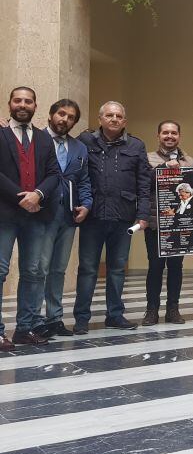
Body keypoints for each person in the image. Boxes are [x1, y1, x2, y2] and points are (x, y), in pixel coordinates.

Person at [73, 101, 151, 334]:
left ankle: (115, 315)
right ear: (100, 119)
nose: (114, 119)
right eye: (109, 115)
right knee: (87, 268)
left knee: (117, 269)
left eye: (118, 116)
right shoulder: (85, 141)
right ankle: (81, 318)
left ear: (124, 121)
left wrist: (143, 215)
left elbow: (144, 184)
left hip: (123, 219)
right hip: (93, 216)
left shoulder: (136, 145)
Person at [0, 87, 60, 349]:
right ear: (10, 104)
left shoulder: (45, 139)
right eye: (18, 100)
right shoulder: (0, 133)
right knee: (0, 271)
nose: (23, 105)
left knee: (33, 272)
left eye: (28, 101)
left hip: (37, 215)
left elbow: (54, 173)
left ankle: (24, 329)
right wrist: (20, 197)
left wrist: (37, 194)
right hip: (4, 214)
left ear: (36, 106)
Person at [35, 99, 93, 337]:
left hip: (68, 216)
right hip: (41, 215)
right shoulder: (37, 140)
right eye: (61, 114)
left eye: (71, 117)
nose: (65, 120)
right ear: (50, 115)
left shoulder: (79, 148)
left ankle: (54, 318)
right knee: (40, 268)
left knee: (58, 269)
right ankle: (34, 319)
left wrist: (87, 204)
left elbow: (85, 180)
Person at [143, 120, 193, 326]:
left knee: (176, 268)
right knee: (155, 268)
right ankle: (151, 311)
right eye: (165, 133)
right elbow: (143, 185)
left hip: (181, 225)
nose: (170, 136)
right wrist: (162, 168)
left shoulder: (190, 161)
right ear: (158, 135)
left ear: (179, 136)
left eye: (174, 133)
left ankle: (173, 309)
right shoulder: (148, 158)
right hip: (156, 225)